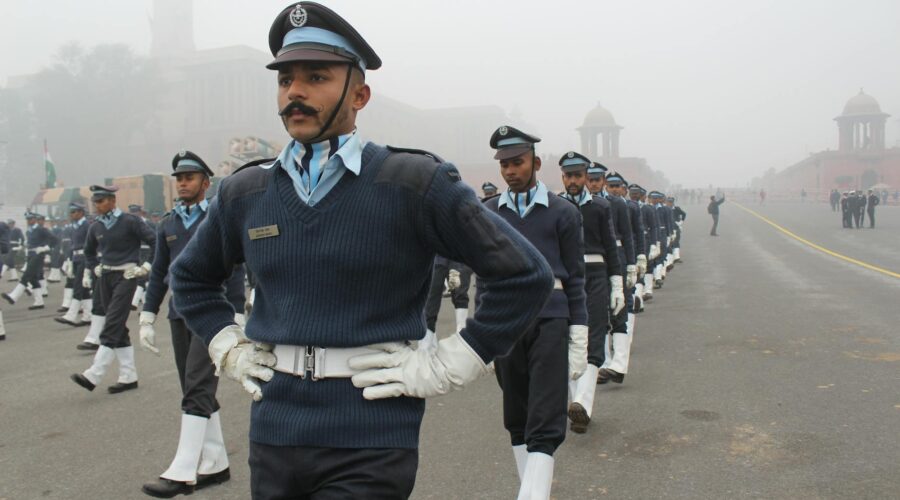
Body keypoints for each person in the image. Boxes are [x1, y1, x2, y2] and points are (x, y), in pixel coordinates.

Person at [168, 4, 553, 498]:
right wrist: (226, 345)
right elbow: (191, 278)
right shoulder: (245, 192)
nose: (295, 92)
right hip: (275, 433)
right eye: (285, 80)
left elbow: (524, 276)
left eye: (316, 77)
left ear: (359, 94)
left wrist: (456, 359)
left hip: (372, 436)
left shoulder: (414, 182)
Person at [483, 129, 586, 498]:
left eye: (518, 163)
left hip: (550, 318)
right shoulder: (489, 213)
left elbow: (576, 277)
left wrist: (580, 330)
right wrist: (482, 334)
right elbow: (485, 275)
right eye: (505, 165)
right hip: (507, 322)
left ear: (536, 163)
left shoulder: (563, 212)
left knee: (545, 415)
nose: (510, 171)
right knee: (517, 414)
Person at [140, 151, 242, 498]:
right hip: (178, 314)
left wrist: (237, 311)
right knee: (193, 386)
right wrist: (147, 315)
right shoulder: (167, 224)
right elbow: (159, 272)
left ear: (205, 183)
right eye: (179, 179)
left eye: (190, 178)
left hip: (213, 313)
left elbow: (236, 265)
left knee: (198, 384)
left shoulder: (218, 216)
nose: (183, 183)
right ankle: (215, 464)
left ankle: (183, 470)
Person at [558, 151, 623, 434]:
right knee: (568, 337)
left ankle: (582, 403)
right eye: (568, 176)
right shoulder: (556, 206)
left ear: (586, 177)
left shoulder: (600, 206)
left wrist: (617, 283)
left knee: (595, 334)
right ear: (562, 177)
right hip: (566, 278)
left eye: (578, 175)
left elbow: (611, 246)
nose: (573, 181)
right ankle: (576, 404)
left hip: (595, 274)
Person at [70, 185, 156, 394]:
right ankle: (128, 376)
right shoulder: (96, 226)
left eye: (100, 201)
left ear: (112, 200)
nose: (97, 206)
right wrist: (94, 267)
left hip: (127, 276)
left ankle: (94, 373)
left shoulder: (130, 221)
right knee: (118, 326)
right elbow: (89, 252)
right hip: (106, 277)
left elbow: (156, 242)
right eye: (95, 202)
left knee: (112, 322)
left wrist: (145, 267)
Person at [599, 172, 637, 385]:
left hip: (618, 257)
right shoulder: (587, 204)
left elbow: (630, 235)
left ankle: (620, 364)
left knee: (619, 310)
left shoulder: (620, 205)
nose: (613, 189)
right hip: (597, 260)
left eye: (616, 185)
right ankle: (604, 363)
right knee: (600, 312)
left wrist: (632, 263)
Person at [2, 212, 58, 310]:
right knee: (32, 279)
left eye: (30, 219)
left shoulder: (41, 229)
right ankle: (39, 302)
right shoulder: (29, 231)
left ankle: (14, 296)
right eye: (27, 219)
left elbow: (55, 240)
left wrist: (45, 248)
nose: (28, 221)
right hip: (31, 255)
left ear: (35, 219)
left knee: (26, 276)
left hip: (38, 255)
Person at [55, 203, 94, 327]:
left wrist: (88, 264)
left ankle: (71, 315)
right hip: (76, 258)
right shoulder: (74, 226)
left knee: (77, 287)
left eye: (74, 212)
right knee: (84, 290)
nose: (71, 214)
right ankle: (88, 316)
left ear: (81, 212)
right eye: (71, 212)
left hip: (84, 258)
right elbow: (72, 245)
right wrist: (70, 261)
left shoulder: (87, 225)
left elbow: (92, 245)